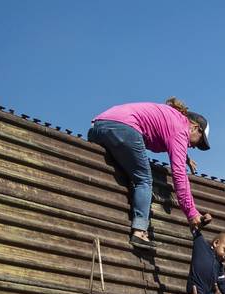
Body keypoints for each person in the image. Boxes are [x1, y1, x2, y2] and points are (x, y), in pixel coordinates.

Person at [88, 98, 213, 251]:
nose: (194, 147)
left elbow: (164, 133)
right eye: (199, 142)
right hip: (124, 128)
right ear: (194, 127)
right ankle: (140, 231)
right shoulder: (181, 129)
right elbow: (179, 174)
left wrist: (185, 157)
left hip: (99, 126)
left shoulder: (173, 118)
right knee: (144, 180)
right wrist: (191, 213)